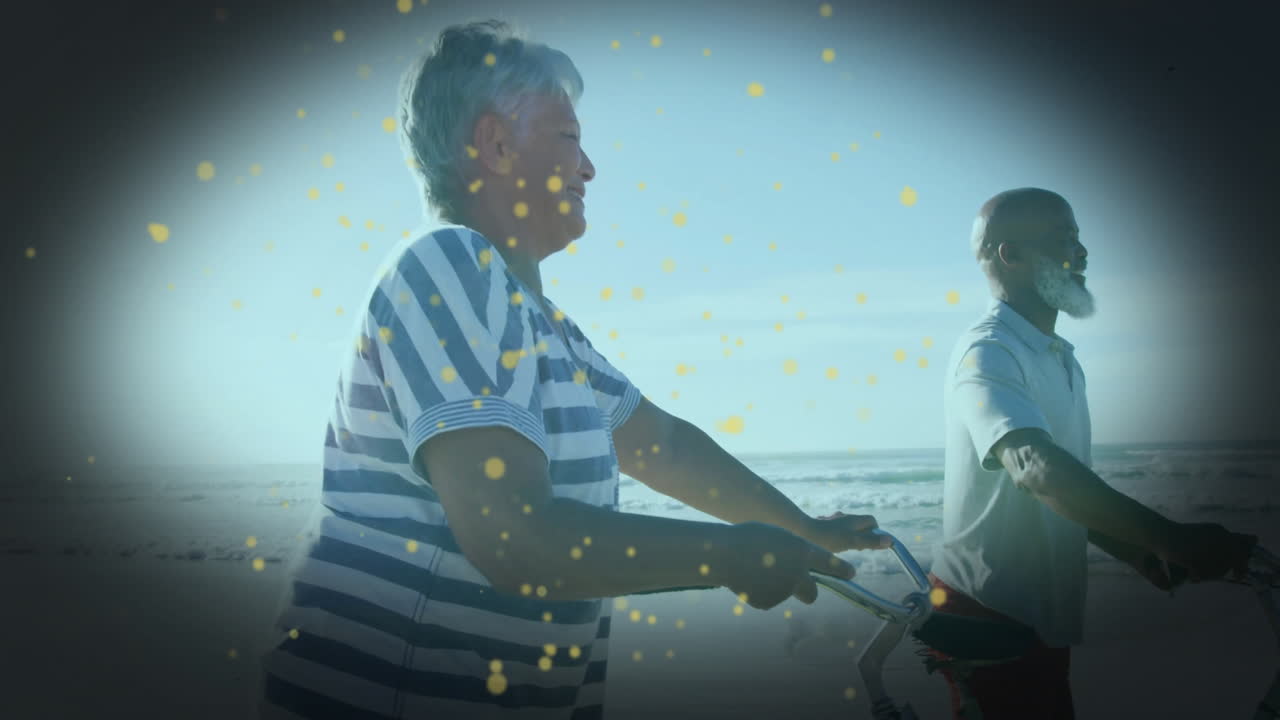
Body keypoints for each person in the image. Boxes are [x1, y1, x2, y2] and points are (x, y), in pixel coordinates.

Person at [257, 19, 891, 719]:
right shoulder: (448, 266)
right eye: (568, 139)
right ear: (496, 144)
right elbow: (514, 540)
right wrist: (728, 555)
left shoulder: (547, 326)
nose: (589, 168)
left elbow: (667, 446)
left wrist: (802, 528)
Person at [925, 187, 1258, 719]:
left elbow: (1059, 490)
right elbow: (1036, 471)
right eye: (1065, 240)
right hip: (986, 616)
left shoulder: (1060, 359)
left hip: (1040, 616)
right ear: (1010, 254)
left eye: (1080, 240)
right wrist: (1169, 536)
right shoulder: (988, 351)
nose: (1082, 255)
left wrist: (1138, 549)